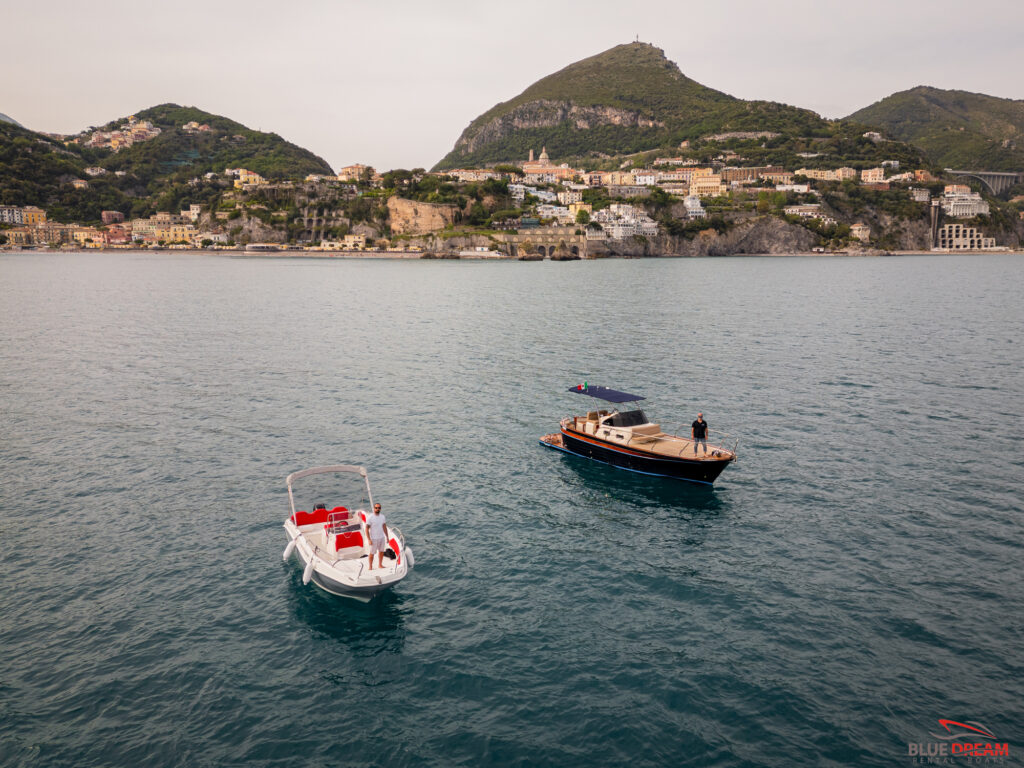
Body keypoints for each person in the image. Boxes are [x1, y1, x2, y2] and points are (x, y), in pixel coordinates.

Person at [366, 503, 389, 570]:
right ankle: (370, 566)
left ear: (380, 509)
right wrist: (369, 539)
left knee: (381, 552)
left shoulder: (382, 517)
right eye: (376, 508)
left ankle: (380, 565)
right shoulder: (370, 517)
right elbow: (367, 529)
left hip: (381, 537)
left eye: (379, 508)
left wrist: (387, 537)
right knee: (372, 553)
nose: (377, 509)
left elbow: (384, 527)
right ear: (374, 508)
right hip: (374, 539)